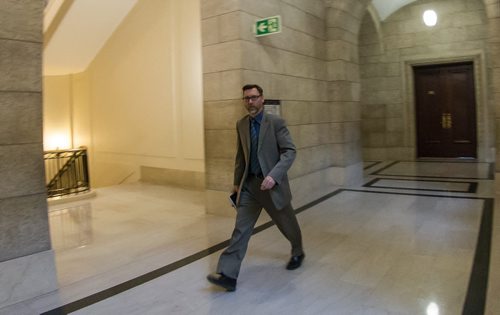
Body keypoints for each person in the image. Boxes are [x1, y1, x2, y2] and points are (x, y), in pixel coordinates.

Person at [207, 84, 305, 291]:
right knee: (240, 230)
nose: (250, 102)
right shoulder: (241, 124)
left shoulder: (276, 123)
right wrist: (236, 184)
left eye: (253, 97)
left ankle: (297, 251)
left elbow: (290, 151)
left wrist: (273, 176)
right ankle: (228, 275)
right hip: (250, 186)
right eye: (246, 98)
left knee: (287, 223)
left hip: (271, 185)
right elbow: (241, 156)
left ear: (262, 98)